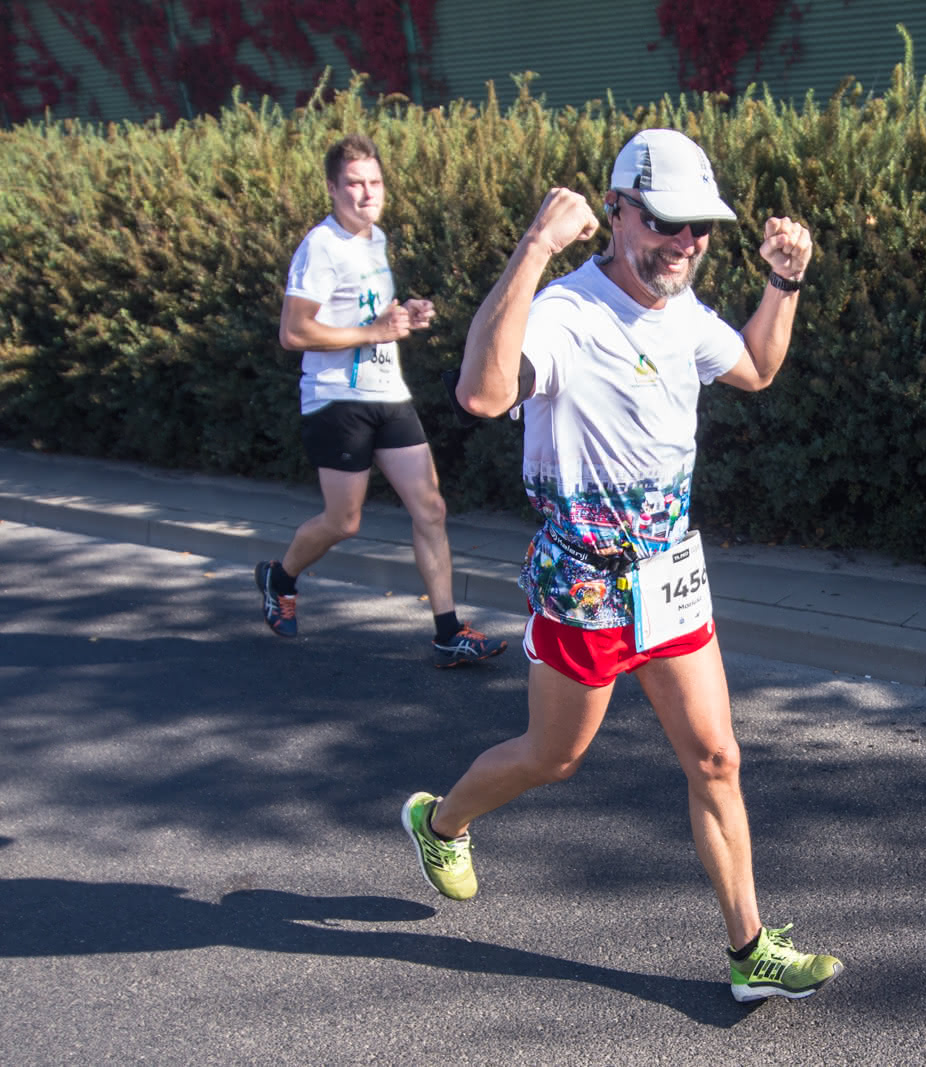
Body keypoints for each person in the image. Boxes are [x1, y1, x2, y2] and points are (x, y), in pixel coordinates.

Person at [401, 130, 841, 1001]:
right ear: (618, 212)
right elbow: (483, 396)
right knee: (554, 756)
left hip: (671, 573)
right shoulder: (567, 312)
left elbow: (753, 366)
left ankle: (749, 949)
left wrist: (782, 283)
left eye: (701, 230)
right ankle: (440, 819)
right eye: (669, 224)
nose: (685, 244)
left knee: (717, 758)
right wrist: (532, 249)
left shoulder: (683, 310)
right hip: (587, 581)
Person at [255, 133, 505, 669]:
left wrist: (403, 317)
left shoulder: (376, 239)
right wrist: (373, 331)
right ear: (331, 188)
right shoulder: (320, 246)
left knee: (431, 507)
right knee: (344, 521)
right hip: (335, 398)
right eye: (354, 184)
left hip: (388, 392)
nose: (367, 194)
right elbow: (294, 333)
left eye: (375, 183)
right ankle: (279, 578)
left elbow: (367, 313)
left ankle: (447, 632)